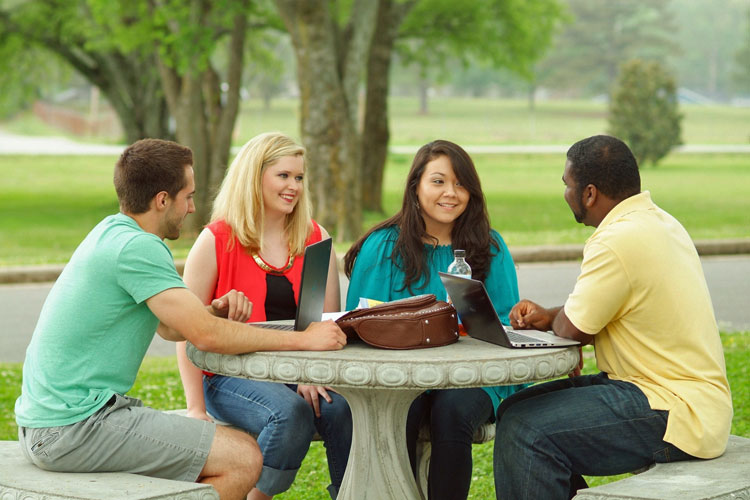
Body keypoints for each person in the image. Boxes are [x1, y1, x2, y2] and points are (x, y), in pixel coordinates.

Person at [14, 138, 347, 500]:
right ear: (162, 200)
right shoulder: (140, 248)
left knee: (237, 452)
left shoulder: (112, 232)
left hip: (59, 421)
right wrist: (302, 340)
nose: (191, 208)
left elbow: (174, 326)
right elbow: (205, 337)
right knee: (241, 459)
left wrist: (209, 312)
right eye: (187, 197)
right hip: (75, 427)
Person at [494, 135, 733, 500]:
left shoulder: (615, 239)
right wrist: (550, 315)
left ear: (589, 193)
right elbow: (606, 309)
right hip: (678, 396)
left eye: (567, 185)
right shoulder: (659, 222)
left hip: (676, 409)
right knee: (515, 409)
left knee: (527, 430)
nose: (564, 194)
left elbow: (574, 328)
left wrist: (557, 319)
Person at [343, 139, 525, 500]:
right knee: (400, 414)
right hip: (397, 377)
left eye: (460, 184)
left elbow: (504, 325)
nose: (451, 193)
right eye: (438, 181)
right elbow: (360, 323)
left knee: (452, 411)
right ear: (416, 187)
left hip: (471, 378)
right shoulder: (382, 246)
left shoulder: (489, 247)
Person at [176, 132, 352, 500]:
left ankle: (349, 494)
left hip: (299, 372)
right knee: (289, 413)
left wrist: (311, 373)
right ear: (254, 177)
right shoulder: (216, 240)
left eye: (299, 178)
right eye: (283, 176)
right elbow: (186, 329)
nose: (294, 187)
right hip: (228, 375)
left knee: (341, 410)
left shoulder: (315, 238)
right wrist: (195, 408)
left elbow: (328, 323)